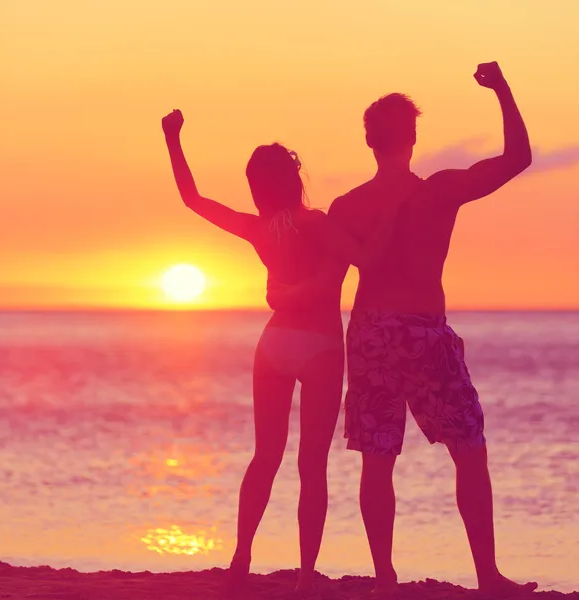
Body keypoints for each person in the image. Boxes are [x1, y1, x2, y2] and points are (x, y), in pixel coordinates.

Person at [269, 62, 536, 597]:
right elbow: (518, 159)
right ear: (412, 138)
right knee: (468, 447)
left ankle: (385, 579)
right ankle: (486, 577)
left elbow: (328, 283)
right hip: (422, 330)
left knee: (378, 456)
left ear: (369, 142)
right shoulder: (437, 192)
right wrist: (502, 89)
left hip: (369, 332)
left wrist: (285, 306)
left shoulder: (347, 207)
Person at [161, 109, 412, 595]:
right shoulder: (316, 224)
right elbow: (368, 260)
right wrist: (393, 212)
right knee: (310, 465)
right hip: (319, 346)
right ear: (296, 179)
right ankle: (303, 577)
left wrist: (173, 138)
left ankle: (240, 561)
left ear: (258, 189)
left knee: (264, 458)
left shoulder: (258, 229)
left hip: (273, 344)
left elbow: (192, 199)